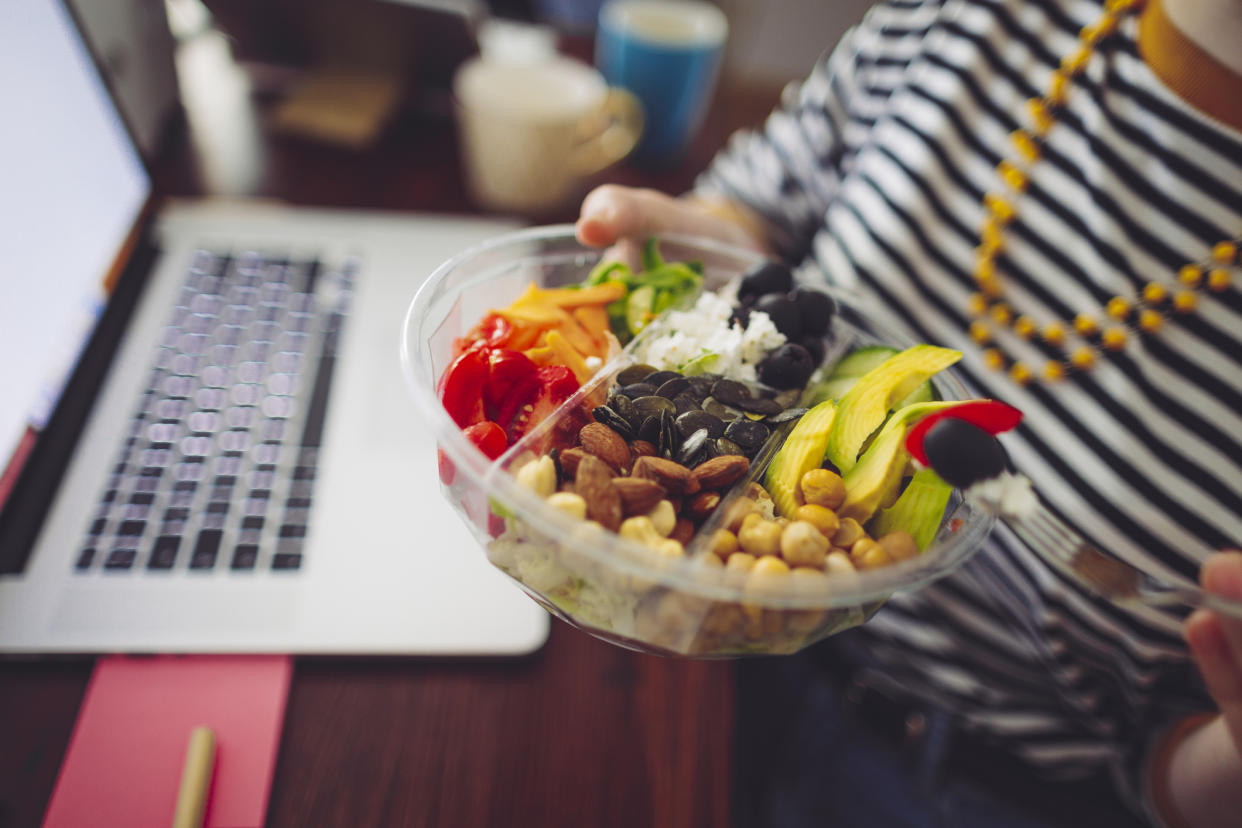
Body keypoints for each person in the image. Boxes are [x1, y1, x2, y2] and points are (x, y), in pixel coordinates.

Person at [575, 0, 1242, 825]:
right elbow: (757, 209)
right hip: (716, 651)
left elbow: (1168, 770)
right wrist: (697, 254)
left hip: (987, 788)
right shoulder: (967, 19)